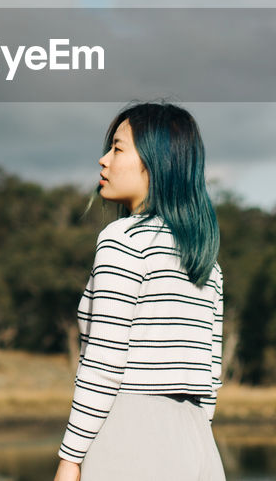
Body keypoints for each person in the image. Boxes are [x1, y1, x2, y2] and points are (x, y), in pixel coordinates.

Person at [53, 102, 226, 481]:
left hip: (133, 436)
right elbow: (211, 376)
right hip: (199, 444)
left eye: (117, 148)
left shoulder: (122, 240)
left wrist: (70, 459)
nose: (103, 160)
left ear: (156, 162)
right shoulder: (206, 262)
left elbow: (103, 363)